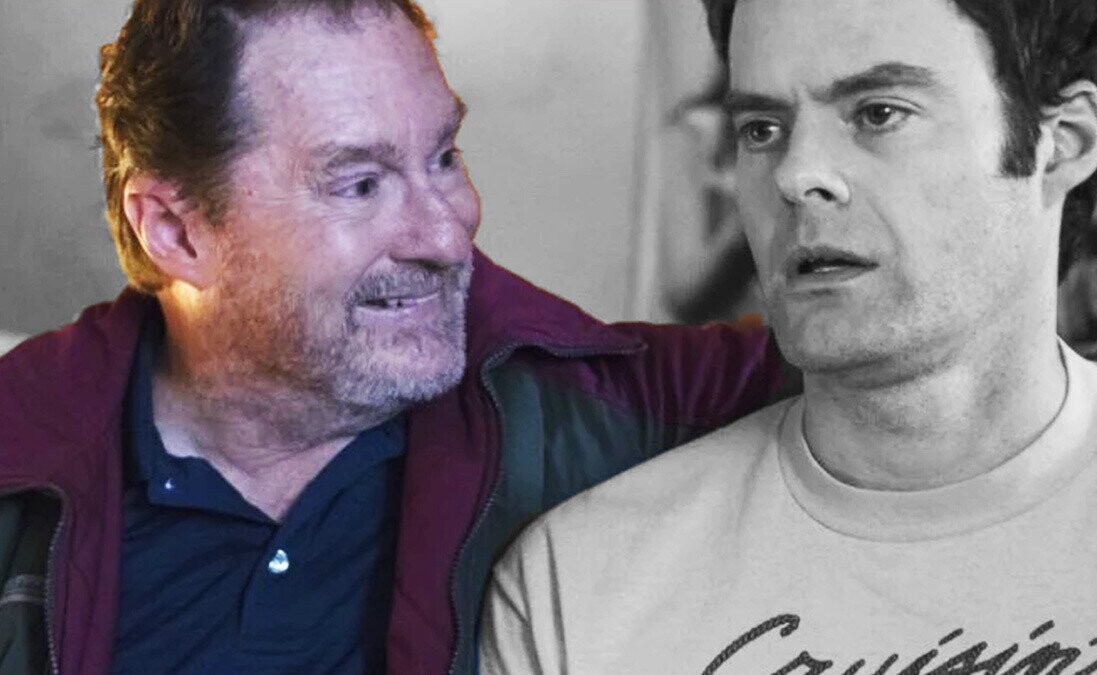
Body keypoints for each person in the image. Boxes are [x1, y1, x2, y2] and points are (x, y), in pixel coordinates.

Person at [0, 1, 792, 673]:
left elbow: (851, 371)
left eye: (444, 157)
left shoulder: (600, 407)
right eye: (361, 184)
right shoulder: (20, 460)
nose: (447, 237)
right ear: (176, 231)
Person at [480, 0, 1097, 671]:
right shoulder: (580, 587)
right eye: (762, 129)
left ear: (1063, 144)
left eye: (878, 113)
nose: (795, 176)